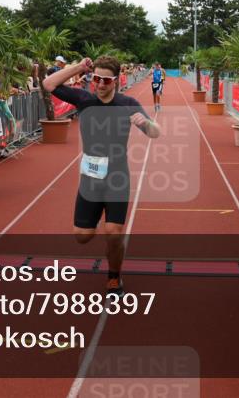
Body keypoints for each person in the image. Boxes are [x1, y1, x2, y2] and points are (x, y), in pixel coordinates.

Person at [43, 55, 161, 295]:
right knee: (82, 236)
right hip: (91, 178)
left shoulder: (127, 103)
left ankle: (114, 276)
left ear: (115, 81)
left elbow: (156, 132)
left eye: (106, 80)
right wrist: (78, 67)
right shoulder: (84, 98)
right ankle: (96, 224)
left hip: (117, 177)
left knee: (113, 234)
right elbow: (48, 84)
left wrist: (147, 124)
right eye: (96, 78)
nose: (100, 84)